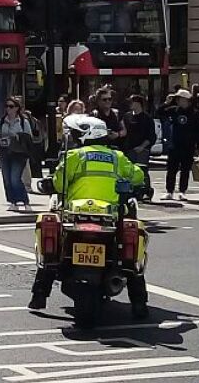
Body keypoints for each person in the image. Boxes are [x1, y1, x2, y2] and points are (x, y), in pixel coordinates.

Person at [29, 115, 149, 316]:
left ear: (85, 135)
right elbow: (137, 176)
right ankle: (139, 303)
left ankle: (39, 294)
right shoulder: (117, 157)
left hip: (75, 215)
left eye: (75, 135)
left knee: (51, 238)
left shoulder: (74, 156)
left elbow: (58, 184)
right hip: (109, 216)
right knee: (131, 248)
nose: (73, 139)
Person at [0, 97, 35, 211]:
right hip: (4, 151)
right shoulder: (2, 121)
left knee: (15, 178)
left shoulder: (23, 121)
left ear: (17, 108)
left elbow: (29, 137)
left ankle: (25, 202)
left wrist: (17, 136)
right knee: (7, 179)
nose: (8, 109)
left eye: (11, 106)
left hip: (18, 153)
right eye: (6, 106)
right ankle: (13, 202)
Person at [160, 89, 199, 201]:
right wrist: (166, 103)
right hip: (174, 145)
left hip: (188, 146)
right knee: (171, 170)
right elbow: (159, 112)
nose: (178, 101)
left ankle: (182, 191)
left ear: (187, 100)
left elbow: (198, 130)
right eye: (177, 99)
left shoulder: (194, 113)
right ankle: (169, 191)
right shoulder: (174, 110)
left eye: (181, 99)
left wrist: (198, 146)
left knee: (185, 170)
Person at [121, 95, 157, 191]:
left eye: (132, 102)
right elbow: (123, 131)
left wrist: (142, 147)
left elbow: (151, 136)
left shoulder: (147, 118)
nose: (130, 104)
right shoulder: (127, 116)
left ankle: (145, 191)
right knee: (128, 171)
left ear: (138, 104)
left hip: (142, 150)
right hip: (129, 149)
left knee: (142, 171)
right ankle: (131, 191)